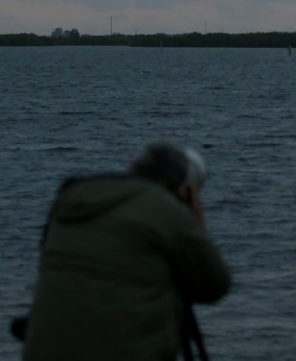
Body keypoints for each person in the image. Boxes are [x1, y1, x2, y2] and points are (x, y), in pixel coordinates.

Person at [22, 142, 231, 361]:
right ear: (183, 190)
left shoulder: (71, 202)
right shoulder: (164, 209)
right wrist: (194, 221)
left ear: (132, 167)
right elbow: (214, 285)